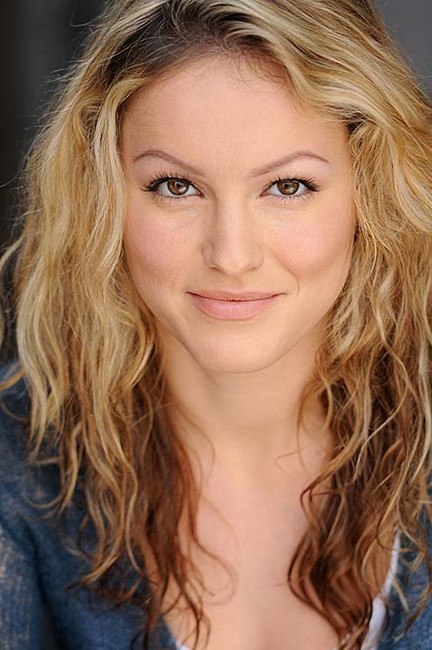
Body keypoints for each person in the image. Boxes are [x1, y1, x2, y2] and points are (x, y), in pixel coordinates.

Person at [0, 0, 431, 648]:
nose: (231, 255)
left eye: (287, 186)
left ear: (369, 190)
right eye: (177, 186)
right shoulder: (16, 463)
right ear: (102, 194)